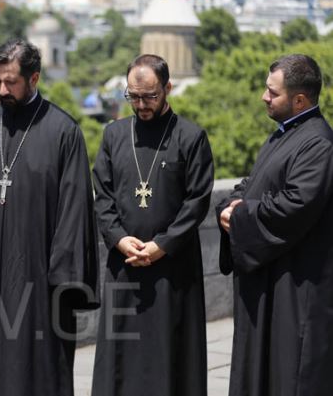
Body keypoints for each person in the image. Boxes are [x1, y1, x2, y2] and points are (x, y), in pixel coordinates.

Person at [0, 39, 98, 396]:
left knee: (38, 369)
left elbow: (74, 209)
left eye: (11, 81)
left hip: (40, 281)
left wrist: (62, 279)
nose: (2, 90)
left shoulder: (63, 131)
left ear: (34, 78)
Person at [90, 54, 214, 396]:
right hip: (125, 264)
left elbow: (197, 200)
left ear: (168, 88)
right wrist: (118, 238)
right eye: (133, 96)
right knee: (122, 359)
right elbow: (103, 195)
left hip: (173, 268)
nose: (141, 105)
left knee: (170, 357)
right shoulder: (114, 135)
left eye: (150, 96)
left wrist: (163, 244)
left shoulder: (190, 137)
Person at [217, 54, 333, 395]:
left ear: (299, 100)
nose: (264, 97)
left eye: (273, 92)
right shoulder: (284, 135)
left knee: (291, 375)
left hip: (297, 289)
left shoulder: (318, 144)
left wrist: (238, 215)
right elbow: (252, 184)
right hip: (271, 282)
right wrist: (228, 205)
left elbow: (294, 205)